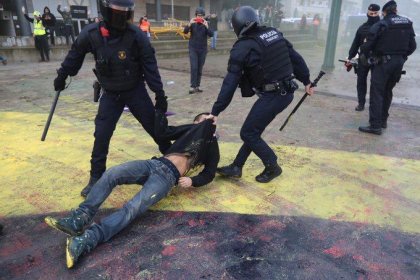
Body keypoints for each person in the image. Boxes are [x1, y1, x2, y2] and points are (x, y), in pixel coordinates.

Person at [44, 111, 219, 268]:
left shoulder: (211, 144)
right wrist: (159, 108)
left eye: (209, 122)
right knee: (113, 173)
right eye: (203, 122)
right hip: (154, 163)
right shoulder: (188, 131)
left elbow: (209, 173)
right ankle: (79, 219)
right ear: (195, 124)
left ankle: (86, 240)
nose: (207, 124)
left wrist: (193, 180)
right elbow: (163, 132)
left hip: (167, 178)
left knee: (133, 208)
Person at [53, 0, 171, 197]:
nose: (121, 18)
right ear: (106, 11)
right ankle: (96, 177)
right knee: (102, 134)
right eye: (117, 13)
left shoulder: (136, 36)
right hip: (110, 93)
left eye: (125, 14)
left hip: (135, 91)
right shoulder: (91, 34)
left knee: (155, 127)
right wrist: (62, 74)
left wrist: (159, 94)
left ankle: (174, 159)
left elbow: (150, 66)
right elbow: (74, 55)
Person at [206, 6, 314, 183]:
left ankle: (273, 166)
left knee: (248, 132)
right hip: (285, 93)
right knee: (254, 129)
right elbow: (295, 57)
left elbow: (230, 83)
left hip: (274, 95)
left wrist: (216, 111)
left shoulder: (242, 47)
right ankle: (237, 166)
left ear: (238, 25)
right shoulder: (273, 33)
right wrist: (307, 81)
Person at [359, 1, 416, 135]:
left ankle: (375, 126)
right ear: (396, 10)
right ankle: (383, 121)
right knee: (387, 91)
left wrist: (364, 53)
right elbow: (412, 46)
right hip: (398, 63)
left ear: (384, 12)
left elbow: (369, 45)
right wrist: (401, 56)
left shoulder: (382, 24)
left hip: (383, 64)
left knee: (377, 93)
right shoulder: (407, 22)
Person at [346, 4, 380, 112]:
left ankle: (374, 105)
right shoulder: (362, 28)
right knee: (361, 82)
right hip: (363, 58)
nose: (373, 15)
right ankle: (361, 103)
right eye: (371, 14)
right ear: (368, 13)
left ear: (379, 13)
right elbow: (355, 44)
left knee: (376, 83)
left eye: (375, 13)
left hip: (378, 59)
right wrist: (350, 58)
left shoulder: (383, 27)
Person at [184, 7, 213, 94]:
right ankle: (192, 86)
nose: (199, 17)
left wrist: (207, 26)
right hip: (193, 48)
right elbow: (185, 32)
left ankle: (197, 86)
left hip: (203, 49)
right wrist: (189, 24)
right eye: (198, 15)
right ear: (196, 15)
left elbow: (211, 34)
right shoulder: (192, 24)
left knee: (199, 68)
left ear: (204, 16)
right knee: (194, 67)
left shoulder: (205, 24)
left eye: (201, 16)